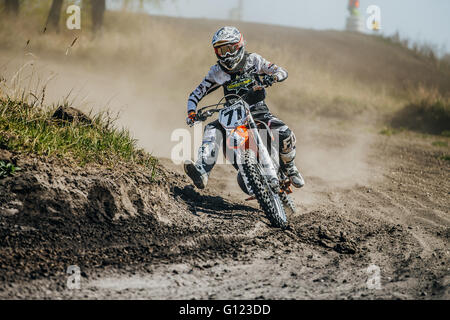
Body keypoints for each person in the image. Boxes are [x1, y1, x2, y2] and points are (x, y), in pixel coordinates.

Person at [184, 26, 305, 191]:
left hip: (257, 110)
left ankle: (290, 167)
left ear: (238, 45)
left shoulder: (253, 60)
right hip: (232, 115)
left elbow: (281, 70)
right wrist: (192, 113)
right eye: (221, 51)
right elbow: (195, 95)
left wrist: (273, 76)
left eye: (229, 49)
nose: (226, 55)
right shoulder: (216, 72)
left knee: (284, 132)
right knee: (212, 129)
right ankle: (202, 171)